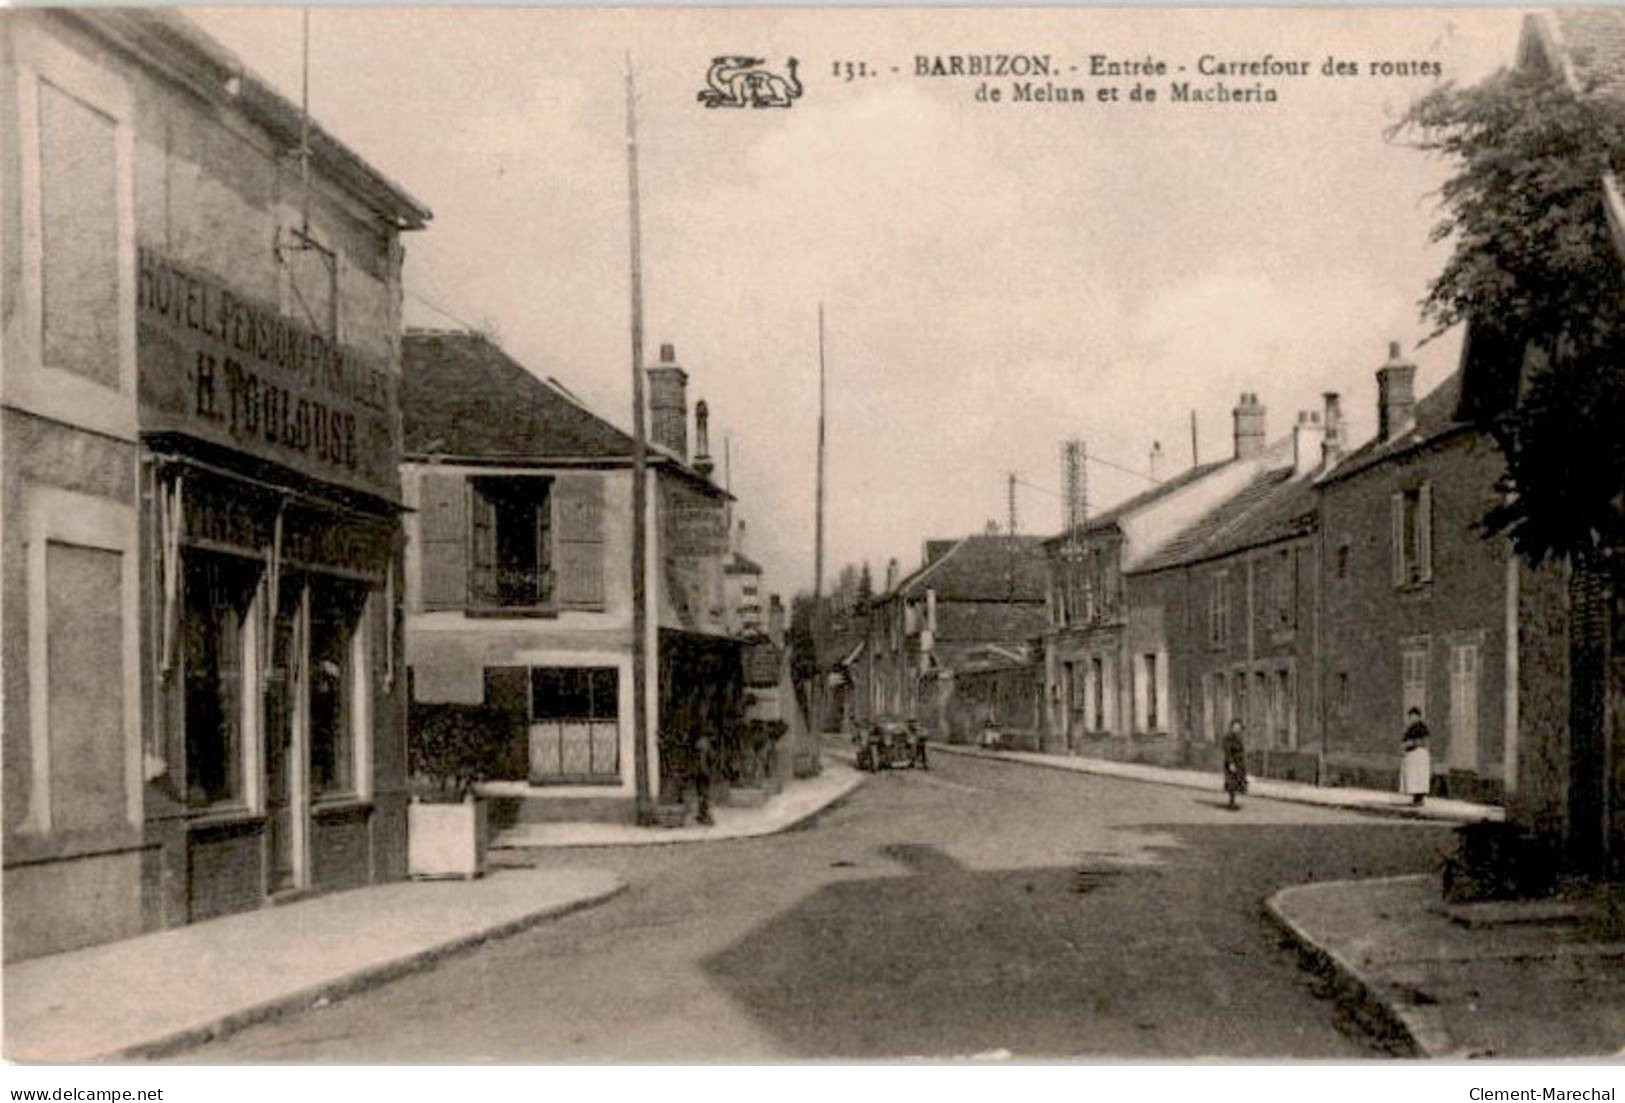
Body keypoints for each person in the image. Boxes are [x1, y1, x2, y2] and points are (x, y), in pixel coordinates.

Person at [1400, 707, 1431, 806]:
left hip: (1419, 755)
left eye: (1413, 716)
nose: (1412, 718)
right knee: (1414, 778)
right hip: (1413, 755)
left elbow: (1423, 741)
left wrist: (1411, 743)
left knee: (1419, 777)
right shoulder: (1411, 728)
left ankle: (1419, 799)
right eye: (1410, 716)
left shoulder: (1421, 728)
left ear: (1418, 716)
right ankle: (1416, 798)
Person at [1222, 718, 1248, 810]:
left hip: (1239, 763)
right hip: (1233, 762)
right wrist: (1230, 763)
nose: (1237, 729)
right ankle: (1231, 802)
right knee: (1232, 782)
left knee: (1237, 782)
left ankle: (1233, 801)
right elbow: (1227, 751)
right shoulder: (1229, 737)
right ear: (1232, 727)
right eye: (1235, 727)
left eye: (1239, 727)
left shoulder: (1238, 737)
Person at [693, 732, 715, 826]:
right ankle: (704, 815)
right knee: (705, 794)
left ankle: (700, 813)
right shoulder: (707, 744)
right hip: (704, 772)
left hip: (697, 772)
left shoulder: (698, 743)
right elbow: (710, 757)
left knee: (700, 794)